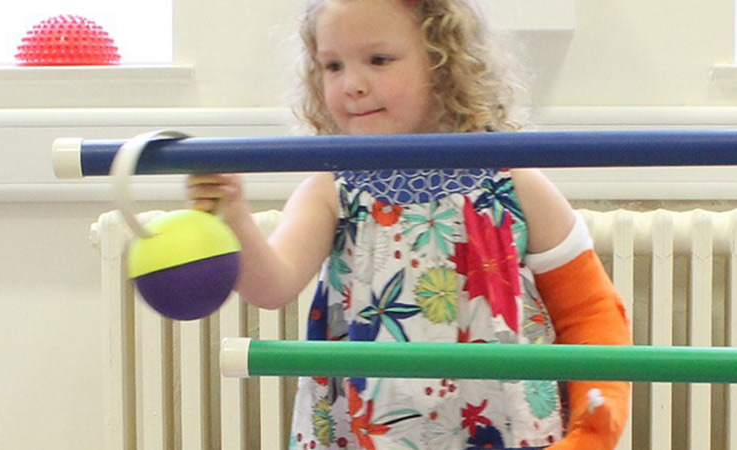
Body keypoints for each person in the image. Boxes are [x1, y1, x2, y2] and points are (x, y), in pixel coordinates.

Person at [186, 0, 632, 448]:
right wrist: (235, 218)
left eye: (378, 60)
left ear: (443, 62)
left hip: (500, 430)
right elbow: (271, 286)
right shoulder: (332, 188)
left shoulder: (509, 179)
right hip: (367, 434)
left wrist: (591, 434)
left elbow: (591, 311)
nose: (352, 84)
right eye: (333, 65)